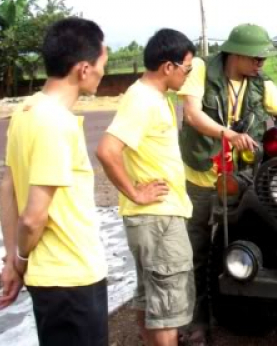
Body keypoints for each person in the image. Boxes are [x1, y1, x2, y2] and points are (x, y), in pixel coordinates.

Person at [177, 23, 277, 345]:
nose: (261, 64)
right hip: (201, 177)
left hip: (239, 179)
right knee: (195, 253)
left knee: (238, 244)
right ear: (236, 54)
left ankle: (235, 309)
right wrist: (229, 134)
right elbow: (193, 115)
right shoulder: (200, 70)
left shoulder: (260, 84)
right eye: (256, 59)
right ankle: (197, 320)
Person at [0, 18, 109, 345]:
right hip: (70, 277)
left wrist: (12, 259)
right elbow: (33, 217)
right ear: (83, 69)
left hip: (52, 280)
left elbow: (8, 186)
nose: (104, 72)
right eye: (103, 63)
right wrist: (18, 257)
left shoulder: (27, 111)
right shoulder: (55, 122)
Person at [96, 29, 197, 346]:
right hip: (158, 219)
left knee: (151, 299)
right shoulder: (142, 99)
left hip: (152, 218)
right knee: (167, 306)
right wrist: (136, 192)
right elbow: (107, 151)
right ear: (169, 66)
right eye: (187, 69)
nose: (188, 76)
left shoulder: (152, 97)